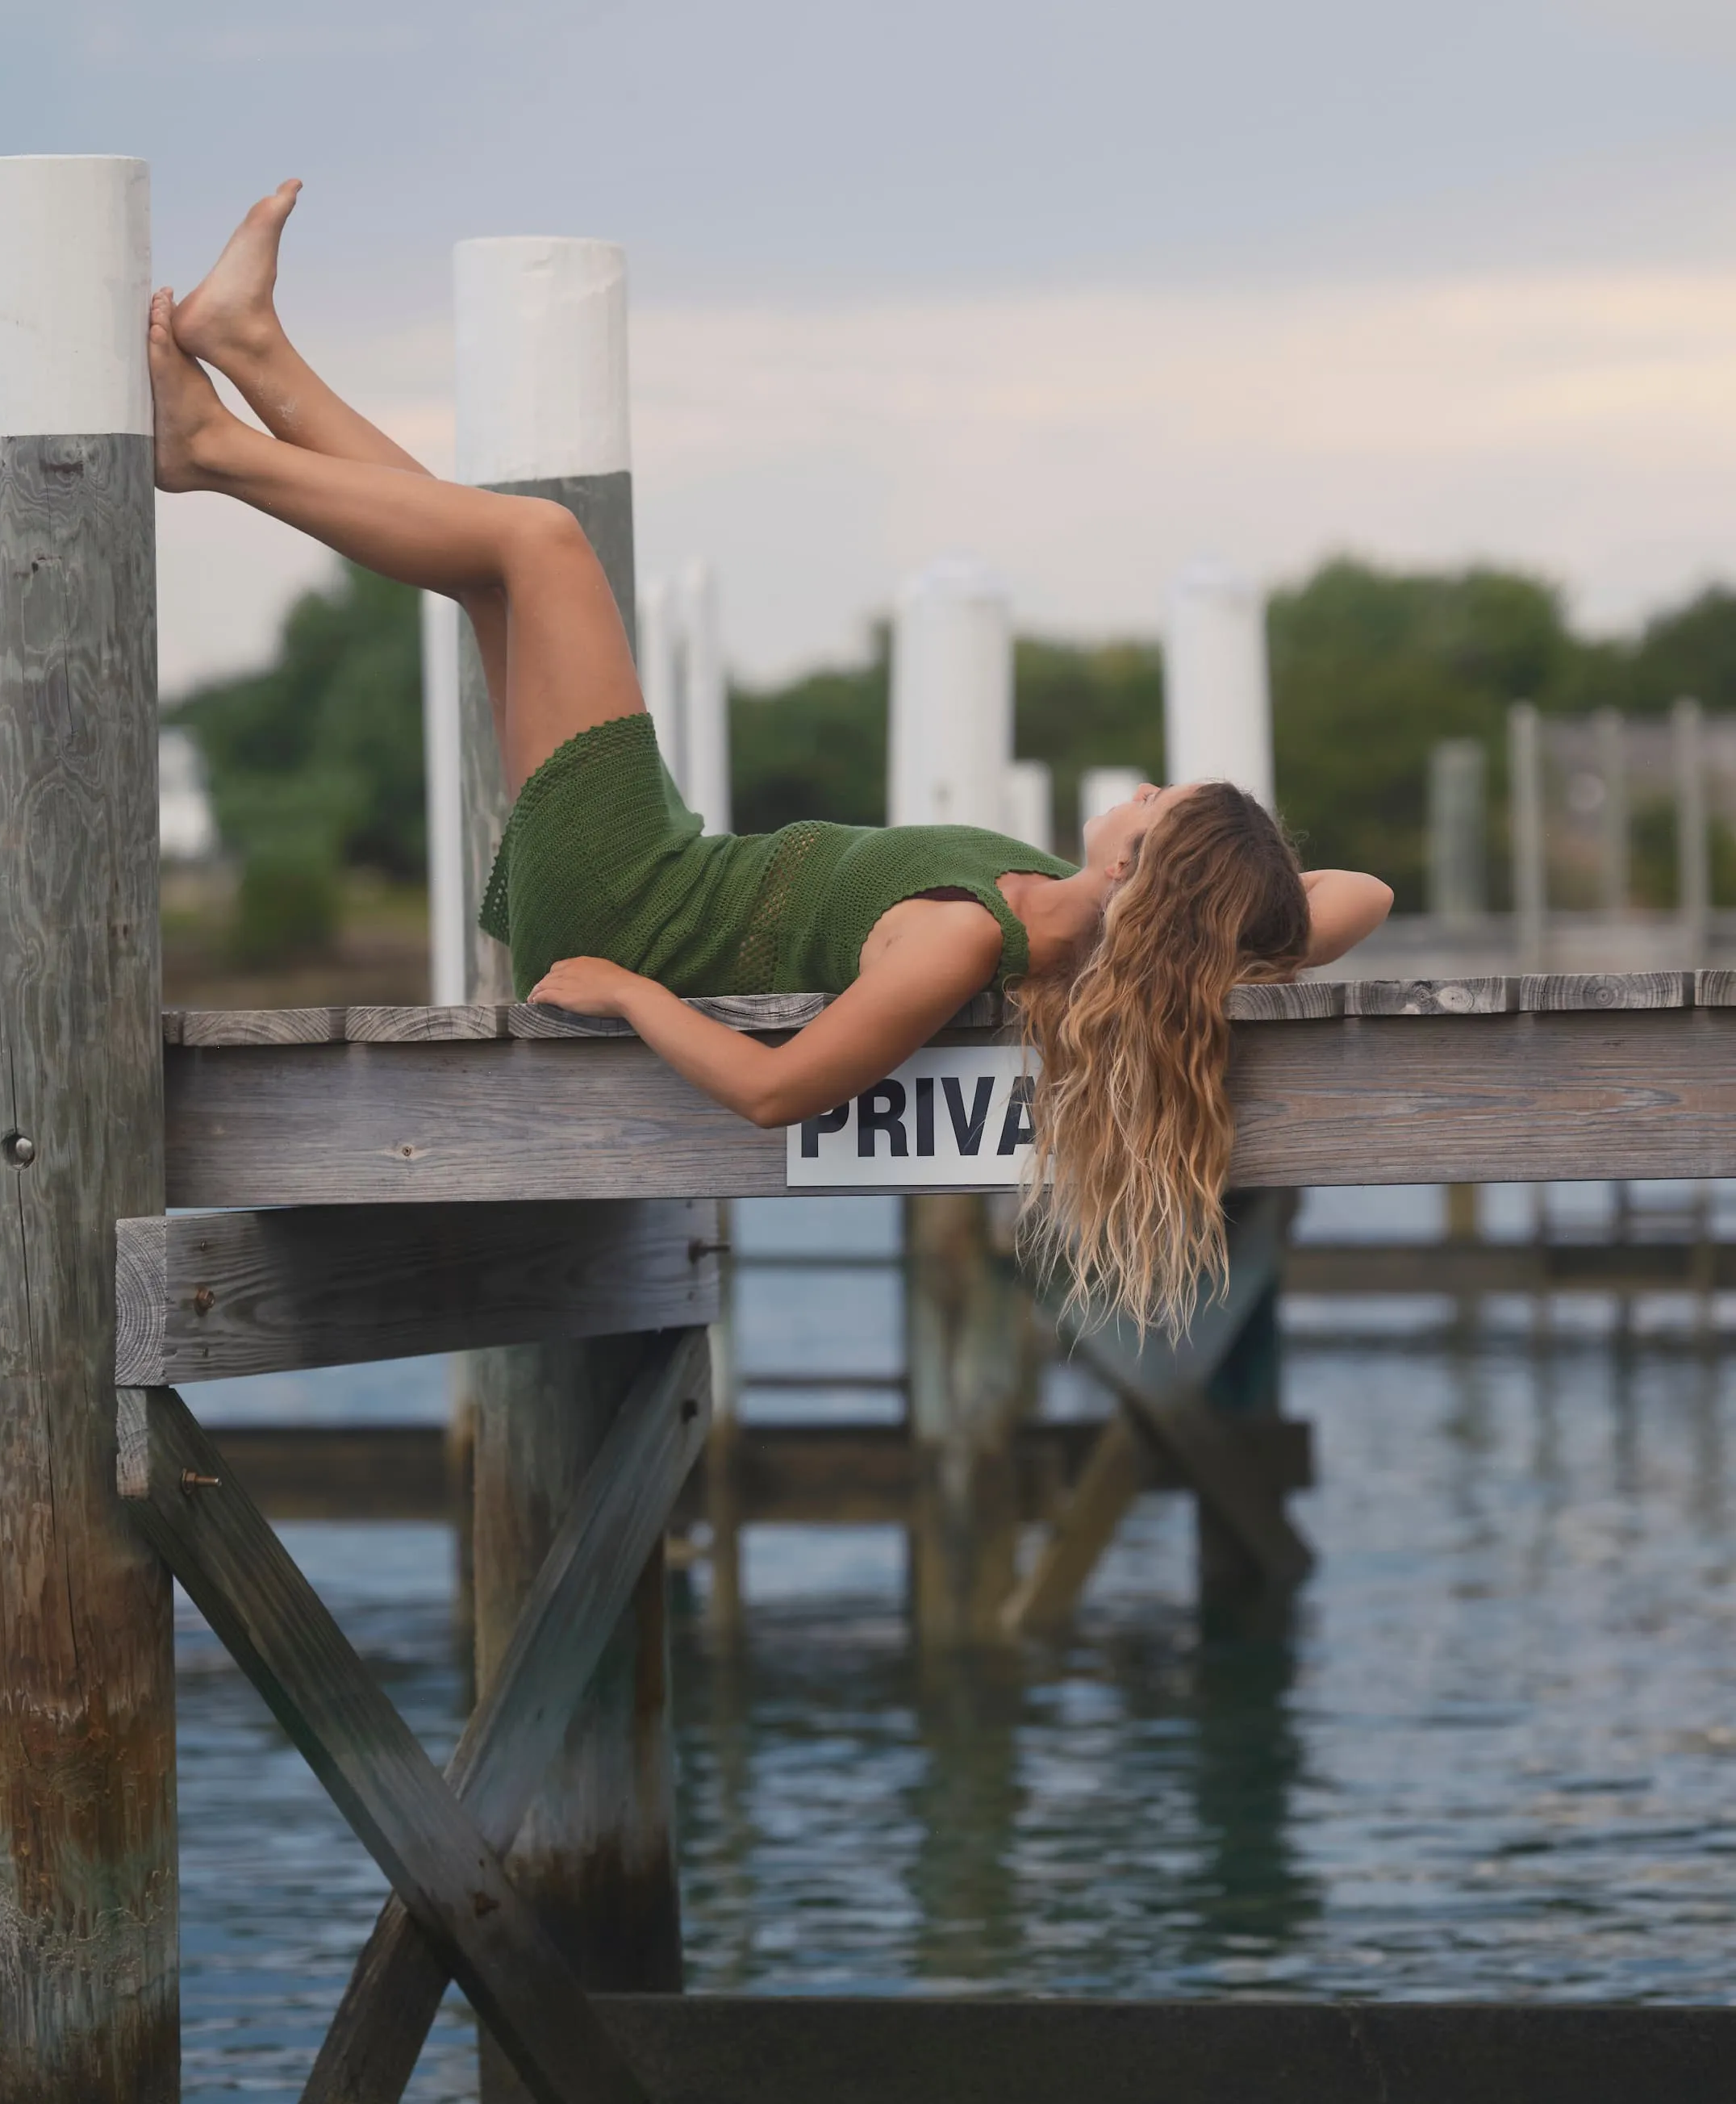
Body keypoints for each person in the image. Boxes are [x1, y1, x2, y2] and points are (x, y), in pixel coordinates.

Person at [149, 184, 1393, 1331]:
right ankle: (252, 349)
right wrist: (1233, 928)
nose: (1137, 790)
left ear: (1136, 875)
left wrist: (632, 995)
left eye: (1152, 808)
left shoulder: (970, 941)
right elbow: (1358, 900)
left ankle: (206, 450)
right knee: (490, 576)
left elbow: (778, 1093)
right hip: (662, 872)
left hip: (632, 902)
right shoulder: (1107, 923)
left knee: (542, 546)